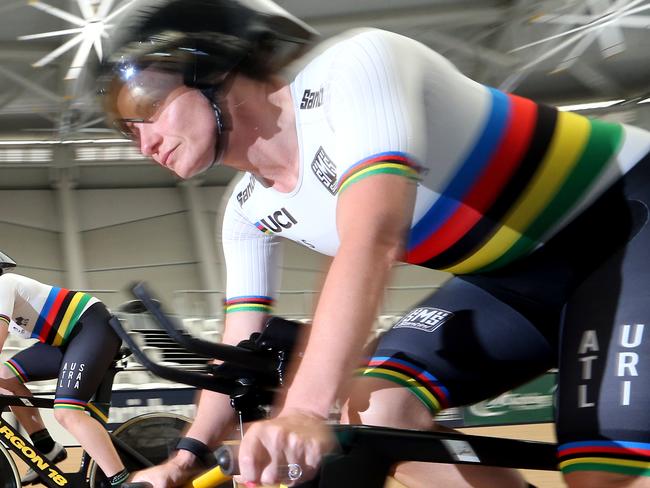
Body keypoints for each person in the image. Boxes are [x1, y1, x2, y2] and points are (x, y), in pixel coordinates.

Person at [95, 0, 650, 487]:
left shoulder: (354, 68)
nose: (142, 140)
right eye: (126, 129)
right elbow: (240, 350)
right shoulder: (247, 211)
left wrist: (304, 408)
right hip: (509, 278)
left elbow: (374, 237)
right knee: (372, 411)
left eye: (146, 106)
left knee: (601, 475)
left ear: (212, 69)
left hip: (625, 222)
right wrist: (183, 458)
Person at [0, 252, 129, 486]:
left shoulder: (3, 285)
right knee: (3, 376)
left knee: (67, 412)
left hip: (91, 327)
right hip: (67, 340)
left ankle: (123, 482)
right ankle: (46, 447)